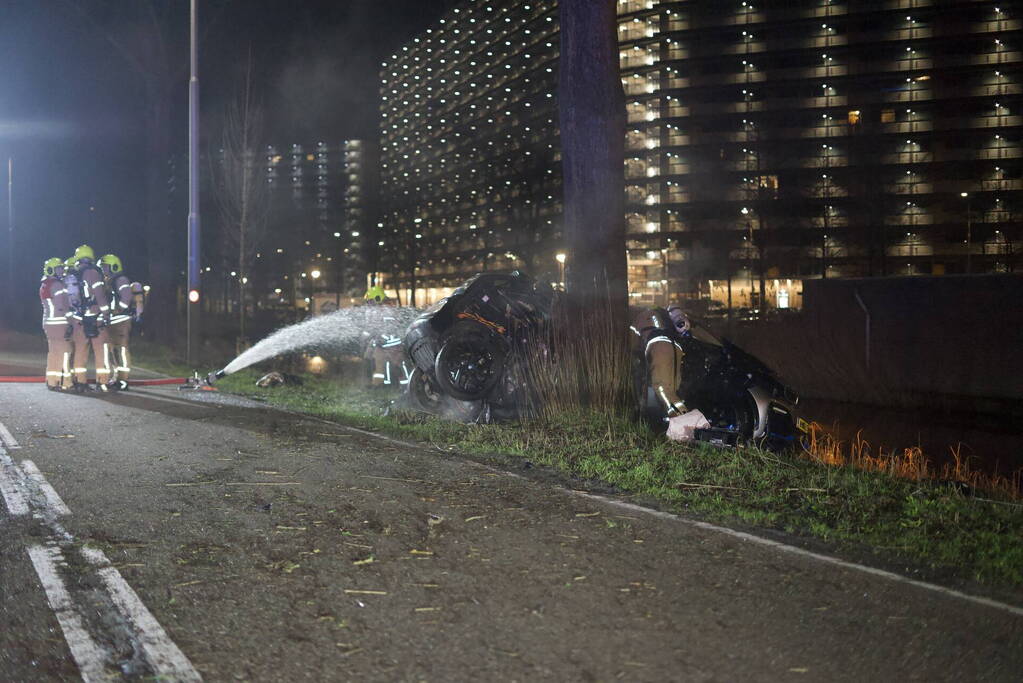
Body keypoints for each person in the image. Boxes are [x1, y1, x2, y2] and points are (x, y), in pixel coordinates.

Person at [630, 305, 709, 442]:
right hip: (676, 347)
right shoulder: (662, 315)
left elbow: (633, 345)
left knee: (662, 388)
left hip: (659, 347)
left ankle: (691, 428)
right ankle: (679, 425)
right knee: (672, 391)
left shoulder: (637, 319)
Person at [68, 244, 113, 391]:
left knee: (80, 351)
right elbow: (100, 295)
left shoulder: (73, 274)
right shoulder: (94, 273)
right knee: (102, 351)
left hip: (79, 319)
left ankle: (80, 383)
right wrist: (106, 313)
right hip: (96, 318)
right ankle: (102, 382)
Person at [98, 254, 144, 390]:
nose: (103, 269)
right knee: (114, 351)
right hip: (112, 321)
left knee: (121, 350)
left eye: (105, 266)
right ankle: (117, 378)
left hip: (121, 321)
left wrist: (117, 310)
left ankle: (123, 380)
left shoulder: (120, 280)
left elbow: (126, 297)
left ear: (114, 266)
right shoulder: (110, 281)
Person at [39, 258, 74, 391]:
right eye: (58, 268)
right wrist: (70, 320)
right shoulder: (58, 285)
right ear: (51, 269)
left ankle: (52, 381)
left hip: (48, 323)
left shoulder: (44, 284)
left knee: (53, 353)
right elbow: (62, 306)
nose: (61, 270)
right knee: (65, 352)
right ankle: (66, 382)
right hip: (59, 323)